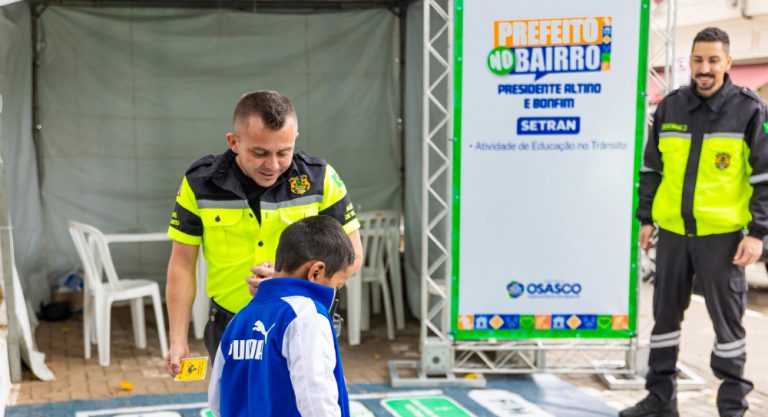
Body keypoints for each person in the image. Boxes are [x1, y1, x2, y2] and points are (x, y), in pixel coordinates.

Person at [622, 27, 768, 417]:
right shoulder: (670, 107)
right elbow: (651, 169)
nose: (704, 68)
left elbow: (764, 178)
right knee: (665, 320)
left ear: (728, 62)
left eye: (713, 60)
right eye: (698, 60)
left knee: (728, 328)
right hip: (672, 235)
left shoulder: (750, 110)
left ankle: (732, 409)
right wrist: (646, 218)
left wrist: (758, 233)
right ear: (690, 61)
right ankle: (660, 400)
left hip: (722, 240)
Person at [165, 90, 362, 376]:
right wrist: (177, 339)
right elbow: (182, 264)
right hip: (231, 326)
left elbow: (352, 257)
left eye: (283, 152)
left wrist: (284, 282)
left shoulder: (321, 179)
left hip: (304, 325)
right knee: (235, 401)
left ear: (295, 138)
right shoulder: (198, 184)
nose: (273, 165)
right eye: (260, 153)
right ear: (234, 142)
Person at [208, 215, 354, 417]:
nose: (335, 293)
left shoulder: (239, 318)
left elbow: (217, 399)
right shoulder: (306, 315)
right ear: (316, 272)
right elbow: (317, 401)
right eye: (337, 286)